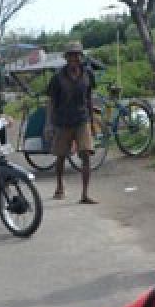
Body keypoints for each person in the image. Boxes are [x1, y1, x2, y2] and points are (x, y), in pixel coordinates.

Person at [45, 42, 98, 204]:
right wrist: (49, 124)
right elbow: (51, 101)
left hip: (82, 120)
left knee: (86, 155)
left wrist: (93, 120)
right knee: (61, 156)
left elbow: (89, 98)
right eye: (71, 55)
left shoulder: (88, 74)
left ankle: (85, 194)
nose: (74, 58)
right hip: (63, 121)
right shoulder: (58, 77)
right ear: (66, 58)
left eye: (77, 55)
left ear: (81, 57)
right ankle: (60, 186)